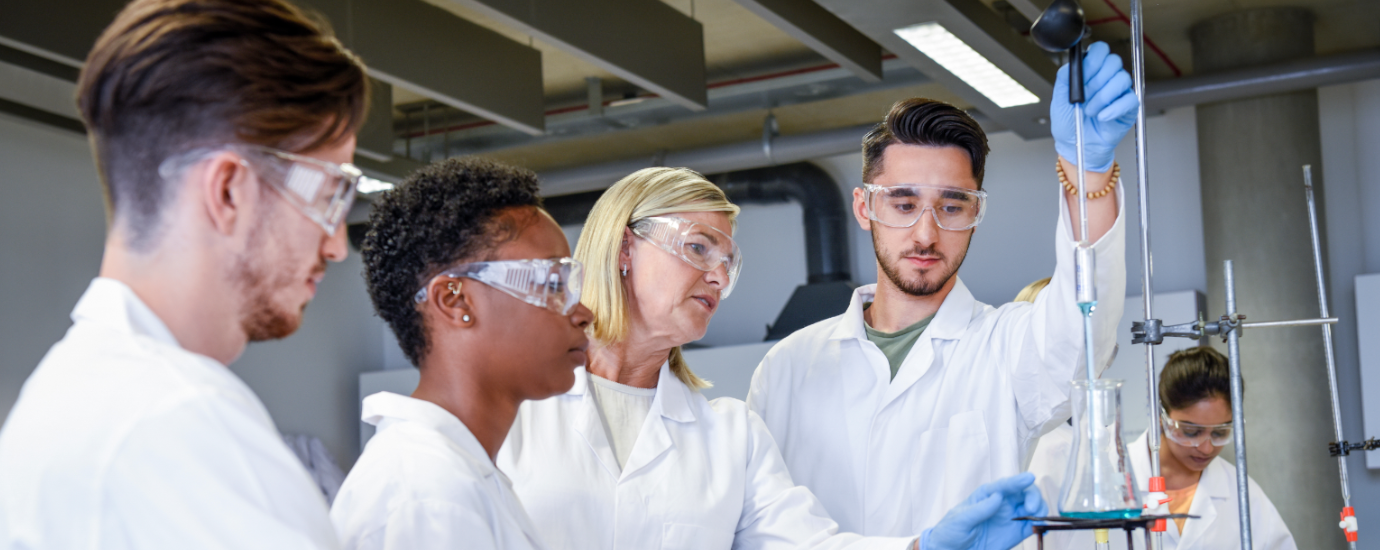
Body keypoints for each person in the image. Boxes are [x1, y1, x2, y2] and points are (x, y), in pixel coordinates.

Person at [497, 166, 1046, 550]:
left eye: (727, 261)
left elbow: (806, 546)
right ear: (623, 248)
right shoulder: (514, 406)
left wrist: (924, 548)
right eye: (697, 247)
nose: (717, 274)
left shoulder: (730, 436)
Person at [0, 0, 368, 547]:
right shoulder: (183, 418)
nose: (338, 245)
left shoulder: (65, 397)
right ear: (227, 191)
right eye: (331, 195)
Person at [747, 41, 1136, 537]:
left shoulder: (1006, 348)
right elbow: (762, 529)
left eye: (951, 207)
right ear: (864, 208)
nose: (926, 234)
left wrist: (1089, 171)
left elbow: (1084, 329)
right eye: (904, 204)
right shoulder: (785, 369)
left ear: (976, 214)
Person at [330, 158, 593, 549]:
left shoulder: (457, 474)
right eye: (553, 283)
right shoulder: (429, 493)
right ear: (455, 300)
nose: (584, 313)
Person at [1024, 347, 1297, 549]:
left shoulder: (1242, 493)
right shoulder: (1102, 479)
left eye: (1220, 432)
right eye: (1190, 431)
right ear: (1161, 418)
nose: (1205, 447)